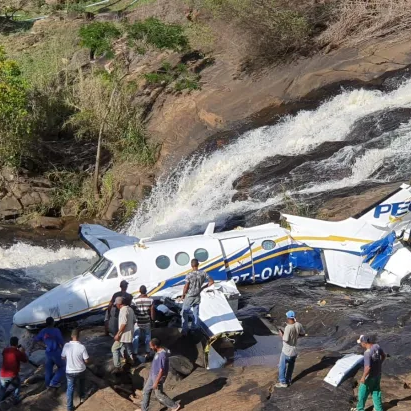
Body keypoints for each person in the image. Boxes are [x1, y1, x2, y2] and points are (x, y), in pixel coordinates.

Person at [136, 338, 180, 411]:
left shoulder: (162, 355)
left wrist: (156, 382)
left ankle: (174, 406)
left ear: (155, 346)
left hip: (158, 377)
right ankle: (144, 409)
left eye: (151, 346)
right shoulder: (158, 351)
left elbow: (161, 370)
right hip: (152, 375)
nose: (150, 347)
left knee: (159, 394)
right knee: (146, 390)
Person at [350, 335, 386, 411]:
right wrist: (379, 364)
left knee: (362, 392)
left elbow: (368, 367)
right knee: (376, 391)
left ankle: (360, 409)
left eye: (361, 343)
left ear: (364, 342)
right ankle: (378, 409)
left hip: (369, 376)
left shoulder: (367, 353)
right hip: (378, 374)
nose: (360, 344)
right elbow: (383, 356)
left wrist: (363, 377)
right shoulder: (377, 346)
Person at [181, 259, 214, 335]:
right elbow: (211, 281)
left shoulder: (189, 275)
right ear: (198, 264)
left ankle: (185, 330)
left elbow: (186, 286)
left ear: (191, 265)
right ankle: (194, 328)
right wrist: (203, 288)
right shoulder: (203, 273)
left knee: (184, 312)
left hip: (189, 296)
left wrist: (183, 295)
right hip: (197, 295)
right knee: (196, 313)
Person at [276, 310, 306, 388]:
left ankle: (282, 382)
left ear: (288, 318)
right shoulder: (299, 325)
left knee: (282, 366)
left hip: (286, 351)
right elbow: (303, 334)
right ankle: (288, 381)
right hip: (294, 350)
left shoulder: (288, 328)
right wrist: (296, 336)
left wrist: (281, 334)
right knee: (291, 366)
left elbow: (285, 339)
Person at [61, 329, 89, 411]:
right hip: (81, 370)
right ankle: (82, 397)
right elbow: (86, 360)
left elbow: (62, 357)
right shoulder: (82, 347)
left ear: (71, 336)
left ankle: (69, 407)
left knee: (70, 388)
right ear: (78, 336)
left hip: (70, 372)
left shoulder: (66, 345)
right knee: (82, 383)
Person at [34, 317, 65, 388]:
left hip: (48, 352)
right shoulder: (56, 330)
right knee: (63, 367)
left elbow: (36, 340)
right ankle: (54, 382)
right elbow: (61, 342)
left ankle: (47, 385)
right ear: (53, 322)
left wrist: (44, 345)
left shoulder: (43, 331)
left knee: (48, 369)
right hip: (56, 352)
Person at [0, 337, 28, 404]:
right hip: (13, 376)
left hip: (2, 375)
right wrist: (23, 352)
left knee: (2, 390)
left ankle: (1, 402)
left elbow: (5, 353)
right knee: (17, 386)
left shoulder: (5, 350)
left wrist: (16, 349)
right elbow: (25, 360)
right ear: (17, 343)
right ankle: (16, 399)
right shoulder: (17, 352)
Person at [112, 296, 136, 370]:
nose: (116, 306)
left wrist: (118, 334)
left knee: (114, 348)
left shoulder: (123, 310)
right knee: (124, 348)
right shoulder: (130, 309)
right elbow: (134, 320)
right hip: (129, 333)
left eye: (116, 304)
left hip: (123, 335)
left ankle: (117, 367)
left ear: (119, 304)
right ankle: (129, 360)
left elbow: (123, 324)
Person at [133, 285, 155, 357]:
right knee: (148, 336)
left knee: (136, 337)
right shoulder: (151, 300)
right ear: (146, 291)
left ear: (139, 291)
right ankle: (148, 352)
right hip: (146, 321)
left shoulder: (135, 300)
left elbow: (133, 311)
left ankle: (135, 352)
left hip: (138, 321)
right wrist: (153, 320)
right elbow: (152, 312)